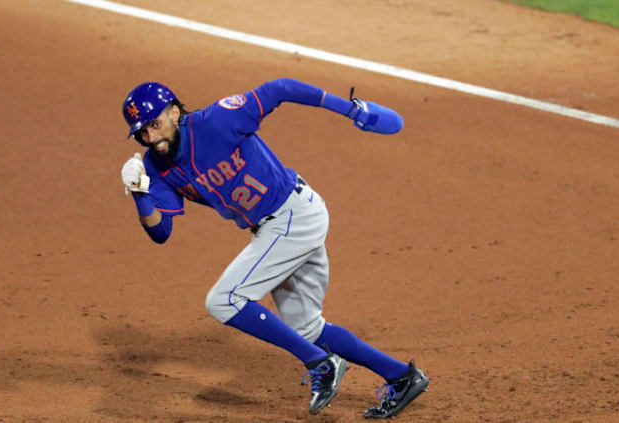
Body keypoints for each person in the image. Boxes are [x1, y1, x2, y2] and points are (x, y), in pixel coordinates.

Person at [119, 78, 428, 418]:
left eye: (155, 124)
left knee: (223, 300)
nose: (152, 137)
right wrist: (139, 192)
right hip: (278, 227)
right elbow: (161, 232)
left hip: (292, 215)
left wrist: (352, 109)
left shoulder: (218, 120)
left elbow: (279, 88)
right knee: (307, 329)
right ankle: (402, 376)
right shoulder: (155, 167)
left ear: (175, 112)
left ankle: (320, 364)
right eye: (142, 132)